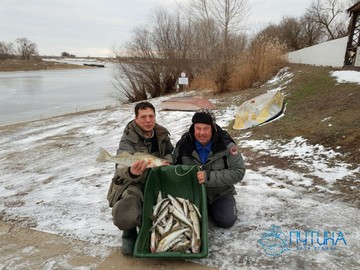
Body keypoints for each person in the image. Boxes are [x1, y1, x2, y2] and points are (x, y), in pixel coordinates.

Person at [107, 101, 174, 255]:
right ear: (136, 119)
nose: (148, 120)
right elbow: (120, 166)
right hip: (134, 182)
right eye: (143, 117)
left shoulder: (162, 134)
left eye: (151, 116)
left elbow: (171, 152)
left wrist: (167, 162)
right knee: (127, 207)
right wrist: (132, 172)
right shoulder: (128, 139)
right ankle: (129, 233)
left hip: (158, 180)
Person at [173, 109, 245, 228]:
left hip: (220, 193)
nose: (201, 133)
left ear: (213, 127)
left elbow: (238, 172)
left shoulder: (226, 145)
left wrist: (208, 177)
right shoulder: (183, 145)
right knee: (188, 224)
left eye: (206, 128)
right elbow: (173, 168)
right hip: (194, 194)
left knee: (226, 221)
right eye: (198, 128)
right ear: (193, 127)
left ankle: (219, 208)